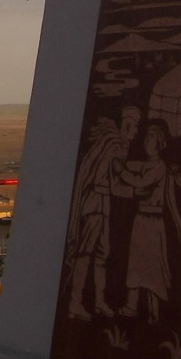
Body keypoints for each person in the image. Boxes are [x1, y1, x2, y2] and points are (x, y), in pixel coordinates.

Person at [66, 104, 139, 319]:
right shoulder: (118, 146)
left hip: (103, 204)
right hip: (95, 205)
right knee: (85, 253)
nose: (136, 132)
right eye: (134, 127)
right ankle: (75, 303)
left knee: (101, 254)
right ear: (127, 125)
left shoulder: (114, 143)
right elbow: (113, 180)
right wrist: (135, 190)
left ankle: (99, 302)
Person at [118, 121, 173, 323]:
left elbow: (141, 182)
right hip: (141, 219)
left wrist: (121, 172)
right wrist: (121, 162)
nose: (146, 140)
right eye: (147, 137)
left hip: (153, 222)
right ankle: (132, 306)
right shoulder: (147, 164)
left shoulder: (159, 167)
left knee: (152, 268)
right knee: (135, 263)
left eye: (151, 137)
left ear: (159, 143)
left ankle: (153, 312)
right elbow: (133, 166)